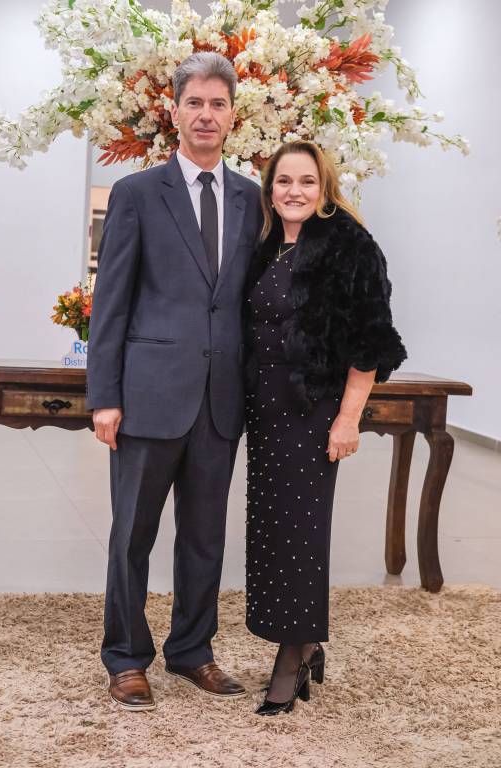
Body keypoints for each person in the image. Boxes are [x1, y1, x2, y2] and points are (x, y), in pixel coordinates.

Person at [86, 52, 262, 711]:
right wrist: (105, 397)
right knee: (132, 534)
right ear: (175, 111)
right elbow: (112, 303)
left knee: (205, 537)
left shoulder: (251, 198)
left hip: (220, 401)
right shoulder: (136, 194)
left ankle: (192, 650)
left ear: (233, 115)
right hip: (149, 397)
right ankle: (126, 657)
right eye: (195, 103)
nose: (206, 115)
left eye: (218, 104)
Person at [243, 140, 407, 715]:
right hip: (264, 410)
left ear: (325, 187)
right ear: (270, 189)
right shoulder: (266, 246)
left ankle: (291, 658)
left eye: (307, 181)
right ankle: (306, 642)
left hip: (312, 411)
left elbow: (372, 343)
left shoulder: (349, 246)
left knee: (301, 533)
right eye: (284, 181)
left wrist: (347, 419)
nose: (295, 191)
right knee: (270, 530)